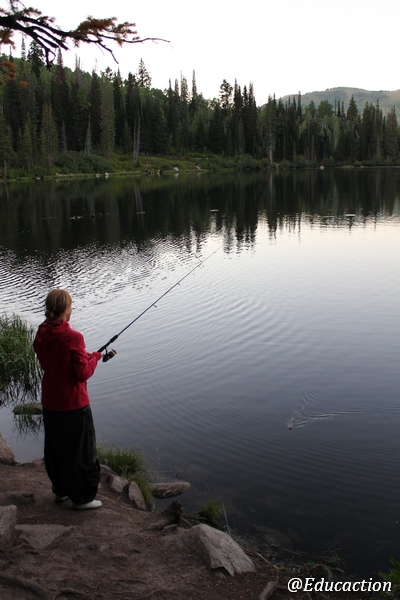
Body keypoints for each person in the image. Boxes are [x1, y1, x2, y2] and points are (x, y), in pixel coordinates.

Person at [33, 289, 103, 510]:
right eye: (71, 306)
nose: (72, 310)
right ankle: (82, 498)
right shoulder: (74, 337)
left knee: (56, 449)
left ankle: (61, 490)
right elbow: (82, 373)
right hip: (74, 405)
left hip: (50, 402)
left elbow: (60, 361)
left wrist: (86, 356)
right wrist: (95, 359)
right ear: (65, 309)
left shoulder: (42, 333)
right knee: (82, 451)